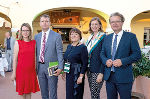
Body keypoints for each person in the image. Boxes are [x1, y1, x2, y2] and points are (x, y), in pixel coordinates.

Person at [100, 12, 141, 99]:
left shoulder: (131, 37)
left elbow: (137, 55)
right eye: (112, 22)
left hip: (124, 77)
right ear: (110, 24)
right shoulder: (107, 37)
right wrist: (106, 60)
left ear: (122, 22)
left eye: (117, 21)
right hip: (109, 76)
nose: (115, 24)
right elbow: (102, 53)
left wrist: (122, 61)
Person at [34, 14, 64, 99]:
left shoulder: (56, 36)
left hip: (52, 66)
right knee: (43, 92)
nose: (44, 23)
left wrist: (60, 68)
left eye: (46, 21)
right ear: (40, 23)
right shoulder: (36, 37)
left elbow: (59, 52)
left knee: (53, 92)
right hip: (40, 67)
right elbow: (35, 53)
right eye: (42, 21)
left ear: (50, 23)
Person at [11, 23, 40, 99]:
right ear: (21, 31)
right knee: (22, 94)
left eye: (27, 30)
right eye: (23, 30)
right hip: (21, 72)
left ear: (30, 31)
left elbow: (35, 57)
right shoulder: (18, 43)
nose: (25, 32)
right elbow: (14, 60)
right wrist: (14, 73)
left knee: (29, 94)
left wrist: (35, 71)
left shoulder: (34, 43)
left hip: (31, 72)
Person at [64, 28, 88, 99]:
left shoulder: (82, 47)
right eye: (71, 34)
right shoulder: (69, 46)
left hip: (77, 73)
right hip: (69, 74)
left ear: (79, 36)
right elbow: (67, 60)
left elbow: (85, 63)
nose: (73, 35)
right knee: (69, 94)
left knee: (76, 94)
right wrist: (64, 71)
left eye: (76, 34)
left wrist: (81, 77)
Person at [85, 17, 106, 99]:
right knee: (93, 93)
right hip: (89, 68)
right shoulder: (90, 37)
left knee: (95, 93)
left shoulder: (103, 37)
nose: (94, 26)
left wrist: (101, 73)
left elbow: (105, 55)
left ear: (100, 25)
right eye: (92, 24)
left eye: (96, 24)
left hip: (98, 69)